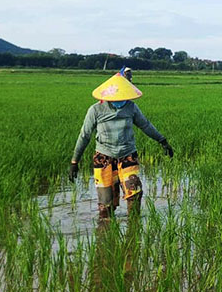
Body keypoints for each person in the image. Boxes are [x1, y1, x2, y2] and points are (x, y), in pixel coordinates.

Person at [69, 72, 174, 218]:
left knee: (135, 195)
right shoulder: (96, 110)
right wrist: (75, 161)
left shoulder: (131, 107)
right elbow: (85, 135)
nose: (121, 100)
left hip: (127, 156)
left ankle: (133, 229)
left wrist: (163, 141)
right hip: (104, 159)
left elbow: (146, 125)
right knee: (106, 206)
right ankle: (107, 235)